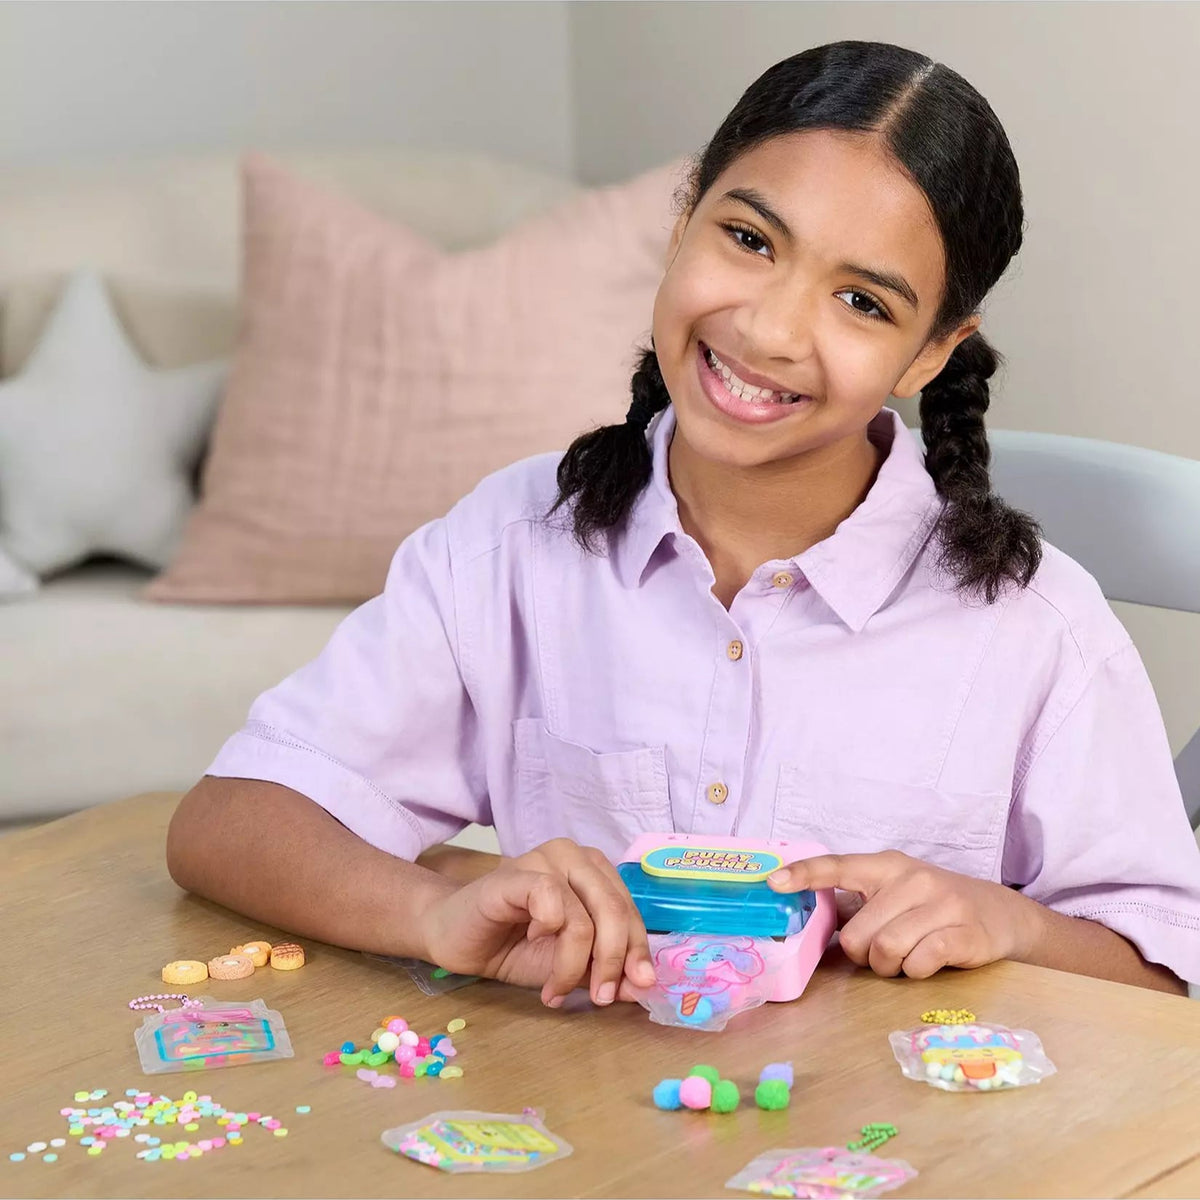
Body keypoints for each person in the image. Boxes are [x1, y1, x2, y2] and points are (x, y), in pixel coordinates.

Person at [167, 40, 1200, 1006]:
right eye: (748, 240)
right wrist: (436, 910)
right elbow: (231, 821)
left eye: (864, 304)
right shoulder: (511, 546)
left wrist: (1012, 926)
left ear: (932, 352)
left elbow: (1168, 970)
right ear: (683, 221)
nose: (768, 329)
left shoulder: (1037, 631)